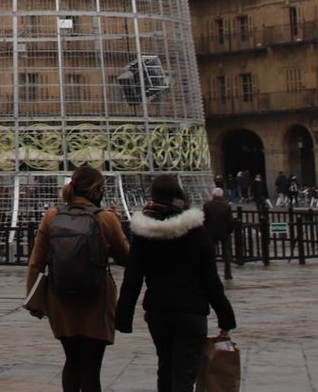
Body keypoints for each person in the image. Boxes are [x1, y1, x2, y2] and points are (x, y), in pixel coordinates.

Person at [116, 175, 236, 392]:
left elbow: (132, 278)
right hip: (191, 311)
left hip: (159, 311)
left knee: (166, 368)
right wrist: (225, 315)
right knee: (184, 374)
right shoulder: (196, 231)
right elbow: (210, 279)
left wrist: (123, 316)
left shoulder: (144, 233)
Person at [24, 165, 130, 392]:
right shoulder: (105, 219)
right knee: (91, 368)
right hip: (96, 298)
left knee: (72, 361)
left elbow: (36, 262)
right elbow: (126, 257)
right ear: (98, 191)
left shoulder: (52, 216)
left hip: (60, 298)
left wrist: (34, 299)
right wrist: (117, 225)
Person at [201, 187, 235, 282]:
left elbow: (204, 220)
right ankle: (227, 273)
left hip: (211, 232)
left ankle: (213, 273)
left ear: (213, 195)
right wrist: (229, 231)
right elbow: (230, 222)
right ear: (221, 195)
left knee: (212, 254)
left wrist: (206, 230)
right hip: (224, 233)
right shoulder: (226, 206)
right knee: (227, 253)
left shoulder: (207, 205)